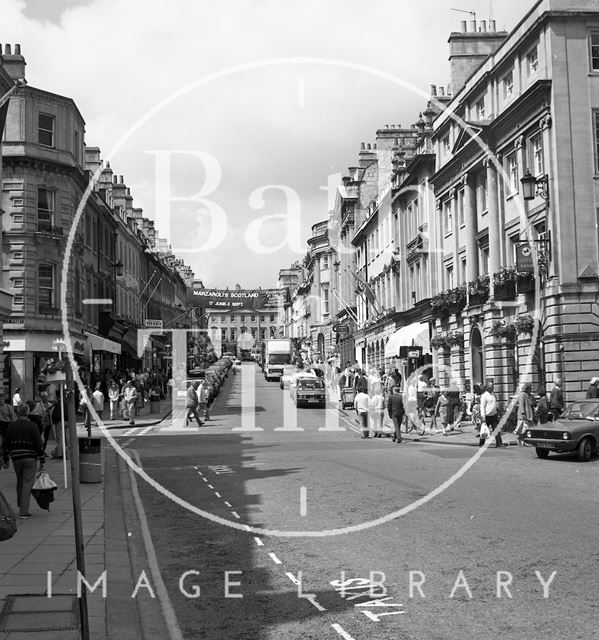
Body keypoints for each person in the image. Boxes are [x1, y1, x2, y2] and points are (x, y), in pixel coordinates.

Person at [1, 403, 45, 519]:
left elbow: (5, 443)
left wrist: (5, 456)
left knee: (20, 480)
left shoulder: (12, 426)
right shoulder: (32, 426)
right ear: (28, 412)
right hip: (30, 457)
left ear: (17, 412)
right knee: (27, 484)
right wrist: (42, 459)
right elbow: (38, 443)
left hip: (16, 457)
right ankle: (23, 511)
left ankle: (21, 503)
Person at [480, 381, 506, 447]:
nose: (493, 388)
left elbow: (494, 403)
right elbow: (482, 406)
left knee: (496, 429)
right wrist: (483, 416)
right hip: (487, 415)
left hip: (494, 415)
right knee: (485, 430)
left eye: (493, 386)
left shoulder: (493, 394)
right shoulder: (484, 395)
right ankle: (482, 443)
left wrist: (497, 410)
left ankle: (499, 443)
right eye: (492, 387)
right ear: (488, 388)